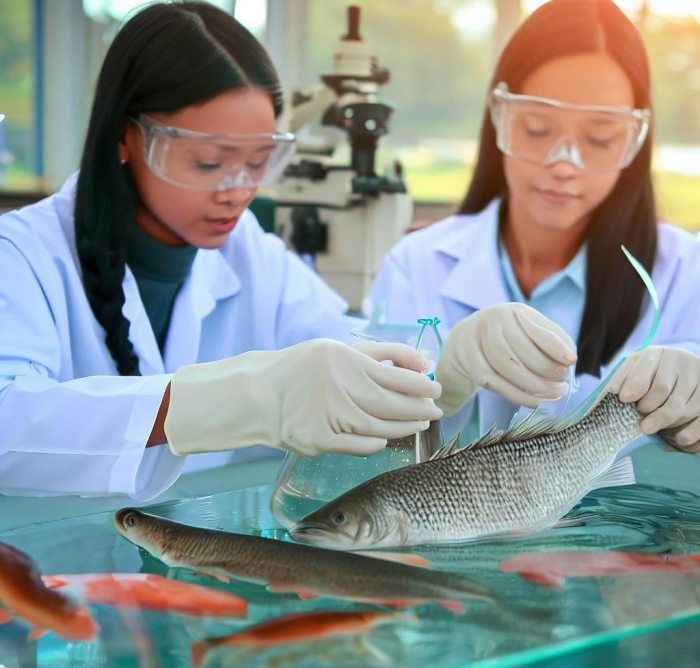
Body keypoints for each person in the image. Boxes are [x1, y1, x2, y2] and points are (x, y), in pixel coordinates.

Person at [0, 2, 442, 500]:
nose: (238, 189)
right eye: (209, 162)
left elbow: (343, 349)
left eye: (258, 161)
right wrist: (220, 403)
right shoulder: (20, 256)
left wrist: (442, 364)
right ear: (126, 135)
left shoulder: (248, 249)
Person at [368, 0, 700, 453]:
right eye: (539, 128)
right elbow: (370, 445)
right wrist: (446, 380)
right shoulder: (416, 264)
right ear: (500, 119)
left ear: (633, 142)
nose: (564, 164)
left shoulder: (685, 271)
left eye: (600, 138)